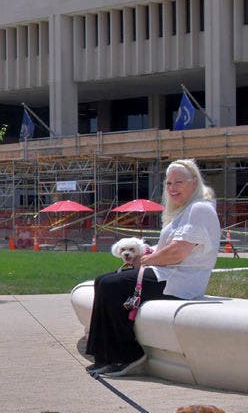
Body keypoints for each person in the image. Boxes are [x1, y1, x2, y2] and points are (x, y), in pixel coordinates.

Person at [85, 159, 221, 378]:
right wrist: (147, 252)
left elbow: (177, 252)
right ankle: (104, 355)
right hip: (167, 273)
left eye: (179, 182)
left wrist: (147, 261)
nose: (172, 188)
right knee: (103, 281)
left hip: (180, 282)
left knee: (112, 286)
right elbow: (168, 247)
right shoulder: (183, 211)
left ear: (194, 183)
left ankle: (130, 354)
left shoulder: (200, 209)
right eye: (168, 183)